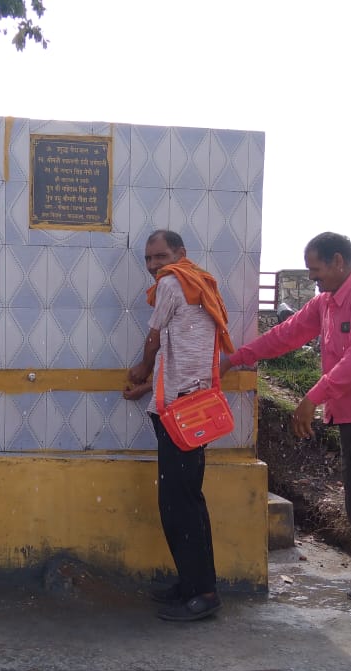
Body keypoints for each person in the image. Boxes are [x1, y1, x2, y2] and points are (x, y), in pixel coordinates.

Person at [221, 232, 351, 632]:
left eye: (317, 270)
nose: (314, 279)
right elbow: (287, 334)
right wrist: (240, 358)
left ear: (338, 262)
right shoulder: (325, 303)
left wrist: (313, 397)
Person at [125, 229, 234, 622]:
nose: (155, 265)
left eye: (161, 255)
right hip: (186, 405)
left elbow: (155, 340)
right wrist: (147, 388)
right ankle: (190, 584)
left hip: (183, 411)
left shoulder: (174, 283)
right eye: (149, 259)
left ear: (181, 253)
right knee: (184, 500)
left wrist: (140, 367)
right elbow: (179, 351)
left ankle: (204, 592)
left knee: (180, 504)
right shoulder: (197, 285)